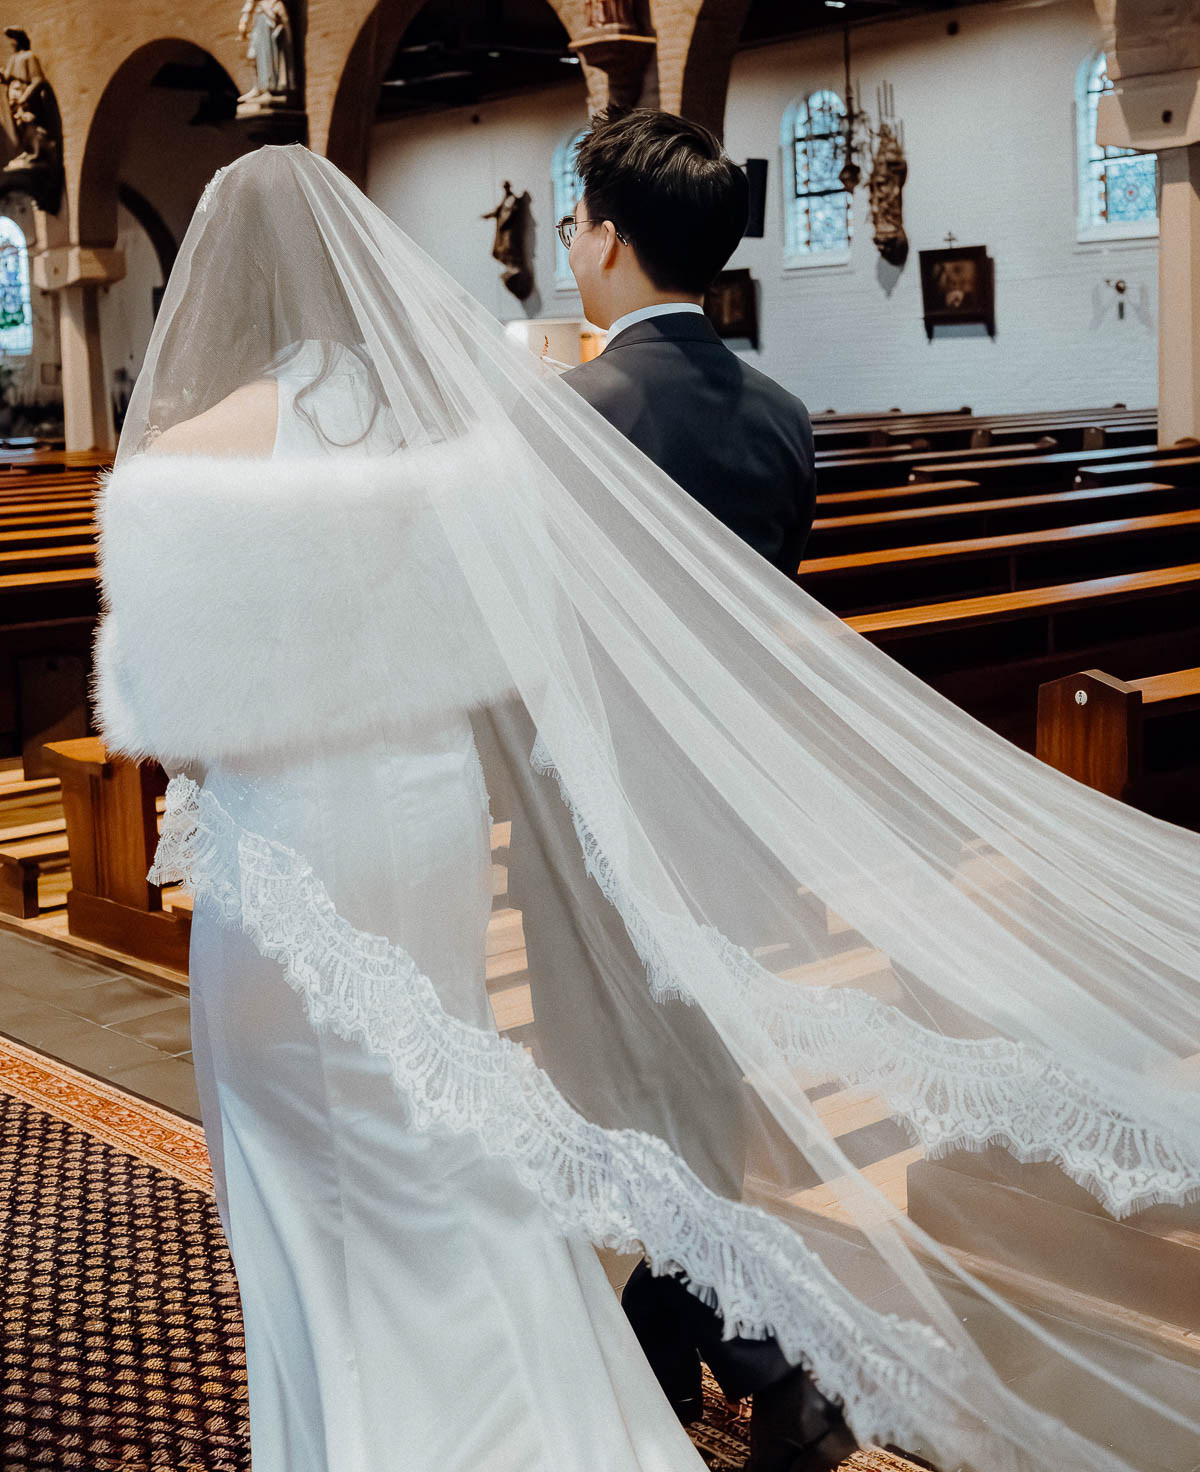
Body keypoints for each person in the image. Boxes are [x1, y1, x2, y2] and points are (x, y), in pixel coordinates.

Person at [96, 144, 1200, 1472]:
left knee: (495, 1109)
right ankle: (659, 1347)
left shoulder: (297, 442)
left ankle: (690, 1351)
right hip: (567, 804)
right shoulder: (699, 416)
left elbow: (179, 699)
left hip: (439, 818)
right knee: (502, 1113)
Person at [556, 109, 841, 1471]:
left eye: (571, 218)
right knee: (696, 1098)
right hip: (736, 809)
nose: (567, 241)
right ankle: (667, 1364)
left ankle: (765, 1361)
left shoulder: (577, 415)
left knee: (627, 1099)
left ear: (605, 236)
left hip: (608, 819)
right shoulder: (782, 419)